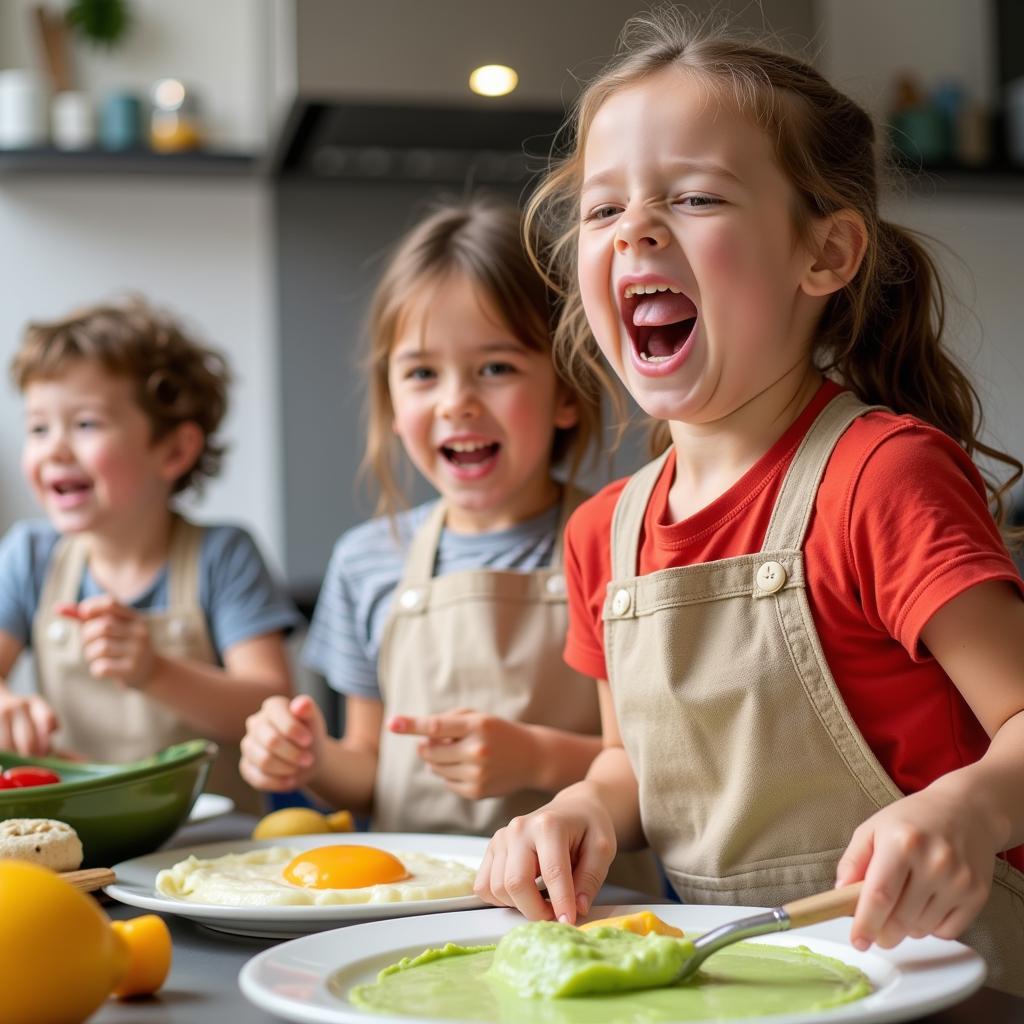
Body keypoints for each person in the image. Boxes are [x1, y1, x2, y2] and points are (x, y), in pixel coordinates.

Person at [472, 12, 1024, 994]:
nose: (636, 228)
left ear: (825, 255)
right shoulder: (606, 534)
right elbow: (633, 764)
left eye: (692, 197)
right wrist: (586, 809)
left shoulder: (881, 477)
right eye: (602, 211)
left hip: (956, 984)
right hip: (741, 994)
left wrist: (972, 807)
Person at [239, 199, 659, 891]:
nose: (455, 402)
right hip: (407, 911)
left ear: (565, 393)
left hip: (589, 910)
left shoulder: (622, 542)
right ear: (391, 402)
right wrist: (308, 759)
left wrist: (538, 759)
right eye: (422, 373)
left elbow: (657, 770)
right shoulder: (366, 561)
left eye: (495, 368)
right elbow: (369, 772)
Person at [0, 298, 301, 811]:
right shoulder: (31, 555)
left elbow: (268, 703)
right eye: (38, 428)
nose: (54, 449)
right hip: (81, 832)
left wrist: (153, 670)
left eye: (86, 424)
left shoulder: (222, 555)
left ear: (174, 451)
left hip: (215, 850)